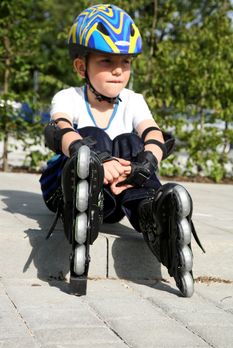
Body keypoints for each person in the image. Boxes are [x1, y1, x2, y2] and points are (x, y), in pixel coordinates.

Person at [40, 4, 204, 297]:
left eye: (125, 62)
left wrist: (143, 164)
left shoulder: (133, 100)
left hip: (111, 199)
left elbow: (153, 133)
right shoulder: (69, 97)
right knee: (92, 136)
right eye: (106, 61)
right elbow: (60, 129)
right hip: (64, 189)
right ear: (81, 67)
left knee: (132, 143)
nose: (118, 70)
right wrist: (96, 158)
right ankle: (83, 193)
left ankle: (151, 214)